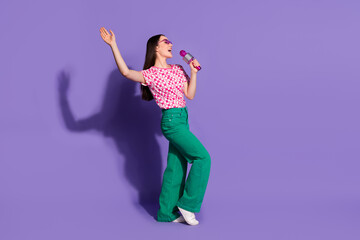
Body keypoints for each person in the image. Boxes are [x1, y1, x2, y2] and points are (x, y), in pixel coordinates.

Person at [99, 27, 211, 226]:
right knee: (202, 157)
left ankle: (166, 213)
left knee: (176, 167)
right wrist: (113, 45)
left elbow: (190, 95)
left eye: (170, 41)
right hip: (171, 121)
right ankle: (188, 204)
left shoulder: (178, 68)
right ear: (156, 48)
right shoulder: (150, 74)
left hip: (182, 118)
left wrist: (194, 73)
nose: (171, 44)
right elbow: (125, 72)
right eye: (166, 41)